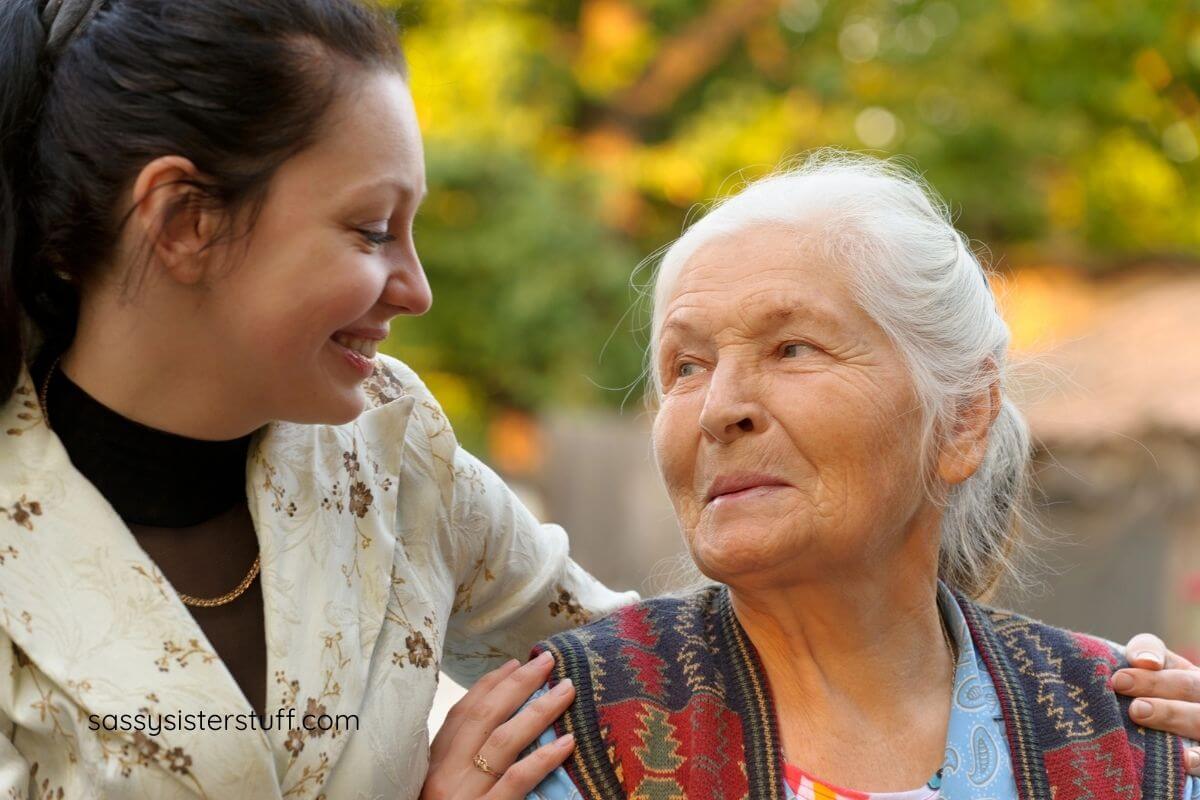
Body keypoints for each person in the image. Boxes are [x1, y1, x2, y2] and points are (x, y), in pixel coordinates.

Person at [0, 2, 1195, 798]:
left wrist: (1097, 703)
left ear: (968, 413)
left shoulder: (388, 449)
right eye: (370, 229)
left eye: (793, 347)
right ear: (184, 222)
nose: (417, 287)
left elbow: (674, 659)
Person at [514, 153, 1200, 799]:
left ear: (962, 419)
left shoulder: (1131, 739)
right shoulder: (573, 732)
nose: (719, 410)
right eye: (686, 367)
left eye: (792, 348)